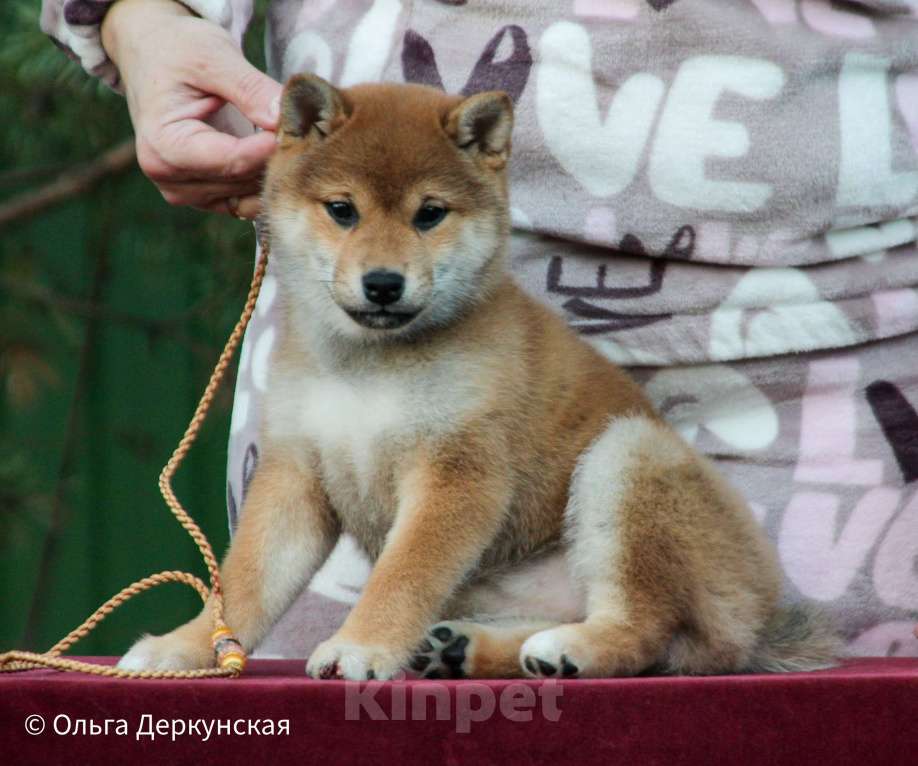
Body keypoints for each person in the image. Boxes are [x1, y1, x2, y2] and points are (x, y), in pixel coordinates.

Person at [42, 0, 918, 659]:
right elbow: (298, 490)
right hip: (440, 613)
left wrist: (381, 632)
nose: (383, 259)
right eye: (342, 212)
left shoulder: (484, 342)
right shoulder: (327, 325)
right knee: (303, 488)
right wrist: (146, 19)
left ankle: (621, 635)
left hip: (833, 397)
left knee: (630, 468)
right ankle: (492, 646)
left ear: (489, 164)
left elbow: (460, 489)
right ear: (299, 150)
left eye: (427, 218)